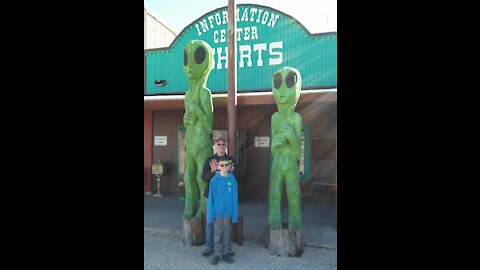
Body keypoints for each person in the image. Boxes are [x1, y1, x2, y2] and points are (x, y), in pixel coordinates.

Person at [201, 137, 238, 257]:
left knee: (227, 224)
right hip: (212, 197)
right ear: (215, 146)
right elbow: (204, 178)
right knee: (210, 222)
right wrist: (212, 171)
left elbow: (241, 176)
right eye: (219, 144)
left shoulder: (231, 160)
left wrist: (233, 170)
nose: (221, 146)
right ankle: (209, 246)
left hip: (227, 197)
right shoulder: (209, 160)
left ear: (226, 146)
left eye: (223, 144)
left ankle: (227, 247)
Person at [207, 160, 238, 265]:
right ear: (218, 167)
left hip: (228, 214)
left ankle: (225, 253)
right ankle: (217, 254)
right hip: (217, 214)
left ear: (229, 167)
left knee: (226, 234)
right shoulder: (214, 181)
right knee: (217, 234)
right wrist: (210, 215)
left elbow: (235, 199)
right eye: (222, 165)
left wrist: (234, 215)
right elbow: (210, 199)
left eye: (226, 165)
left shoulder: (232, 180)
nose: (224, 167)